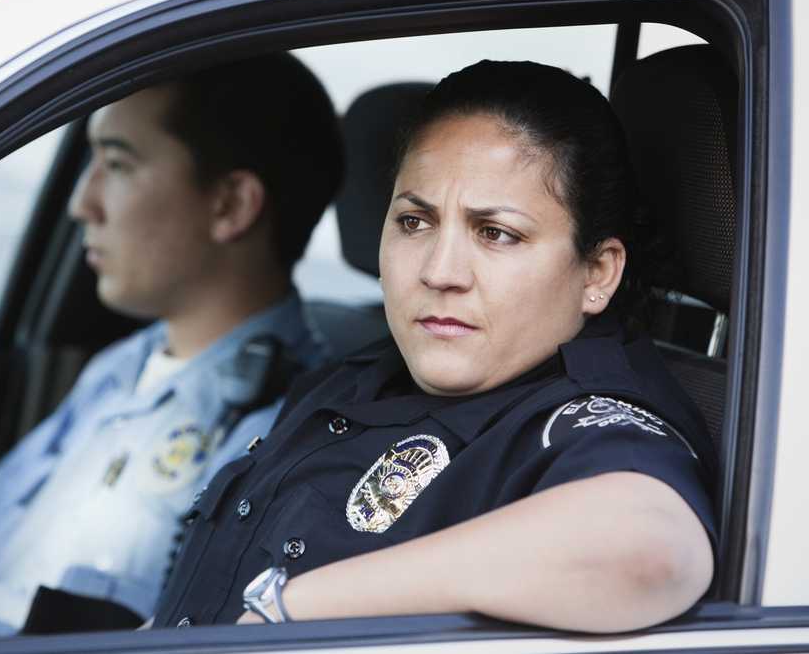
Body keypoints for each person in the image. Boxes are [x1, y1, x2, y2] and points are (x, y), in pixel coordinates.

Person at [153, 60, 719, 634]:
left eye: (496, 233)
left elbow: (650, 554)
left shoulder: (586, 420)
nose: (440, 271)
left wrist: (290, 609)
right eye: (415, 222)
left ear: (597, 272)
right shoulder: (352, 376)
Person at [0, 53, 344, 634]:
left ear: (230, 205)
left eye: (116, 163)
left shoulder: (287, 429)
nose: (82, 204)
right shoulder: (119, 369)